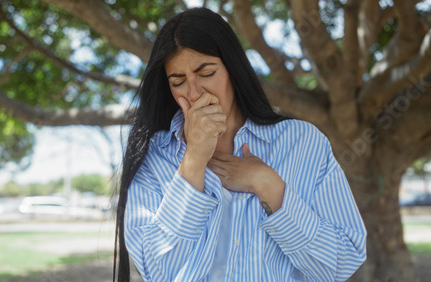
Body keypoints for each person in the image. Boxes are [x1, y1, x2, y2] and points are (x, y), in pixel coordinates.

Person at [114, 7, 367, 282]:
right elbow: (156, 271)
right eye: (178, 82)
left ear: (232, 69)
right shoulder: (153, 156)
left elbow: (343, 262)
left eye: (207, 73)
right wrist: (194, 160)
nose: (194, 91)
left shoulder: (303, 142)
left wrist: (268, 186)